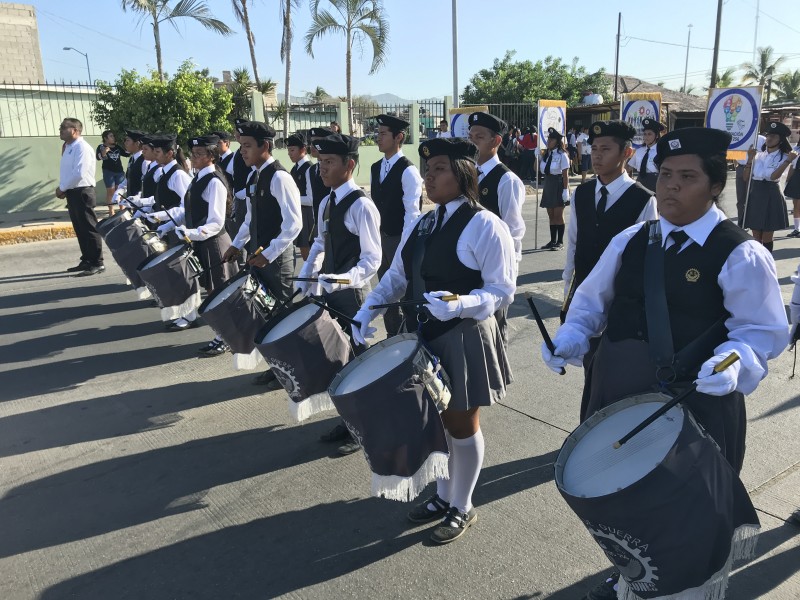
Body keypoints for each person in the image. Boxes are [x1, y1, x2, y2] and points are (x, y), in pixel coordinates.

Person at [542, 127, 788, 599]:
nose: (670, 186)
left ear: (716, 185)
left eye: (687, 176)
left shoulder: (739, 251)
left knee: (684, 511)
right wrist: (570, 338)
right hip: (617, 391)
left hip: (692, 400)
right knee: (626, 500)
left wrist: (733, 363)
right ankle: (633, 581)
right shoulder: (632, 239)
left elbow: (759, 333)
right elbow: (592, 304)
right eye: (666, 174)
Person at [352, 137, 516, 545]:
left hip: (463, 336)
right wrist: (369, 306)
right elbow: (397, 275)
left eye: (439, 168)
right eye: (427, 169)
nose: (429, 176)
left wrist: (463, 303)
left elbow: (502, 289)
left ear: (464, 172)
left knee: (461, 424)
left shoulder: (485, 224)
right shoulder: (425, 221)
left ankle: (463, 506)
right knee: (439, 426)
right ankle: (444, 497)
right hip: (426, 335)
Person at [296, 133, 381, 455]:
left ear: (349, 165)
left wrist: (342, 280)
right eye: (320, 162)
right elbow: (319, 242)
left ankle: (366, 425)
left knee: (359, 362)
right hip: (331, 294)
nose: (322, 169)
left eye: (329, 162)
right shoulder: (327, 201)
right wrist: (307, 276)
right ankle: (349, 419)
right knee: (339, 361)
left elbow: (372, 260)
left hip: (353, 297)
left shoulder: (361, 205)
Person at [223, 121, 303, 386]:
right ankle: (279, 366)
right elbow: (251, 218)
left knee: (282, 315)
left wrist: (269, 253)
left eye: (247, 146)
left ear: (265, 146)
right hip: (261, 256)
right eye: (241, 146)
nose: (242, 151)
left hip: (276, 260)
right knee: (266, 314)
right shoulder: (256, 175)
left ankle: (295, 369)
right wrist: (236, 244)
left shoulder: (279, 177)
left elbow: (294, 224)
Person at [562, 120, 657, 332]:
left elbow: (648, 256)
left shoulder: (643, 199)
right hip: (584, 293)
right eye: (594, 148)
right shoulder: (582, 193)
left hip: (620, 297)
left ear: (627, 153)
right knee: (583, 356)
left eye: (606, 149)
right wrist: (568, 286)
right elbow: (574, 242)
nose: (597, 155)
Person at [152, 134, 238, 353]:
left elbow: (216, 223)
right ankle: (223, 333)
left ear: (211, 156)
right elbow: (189, 210)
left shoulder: (214, 181)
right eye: (193, 153)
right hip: (202, 242)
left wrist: (190, 233)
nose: (194, 157)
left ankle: (226, 337)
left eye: (199, 154)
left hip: (215, 244)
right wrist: (170, 225)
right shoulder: (198, 178)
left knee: (219, 292)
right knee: (212, 291)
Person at [468, 111, 526, 346]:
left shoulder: (506, 180)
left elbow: (513, 231)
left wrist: (507, 273)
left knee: (494, 329)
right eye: (470, 136)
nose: (472, 141)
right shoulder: (467, 172)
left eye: (479, 137)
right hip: (469, 261)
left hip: (494, 268)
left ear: (496, 141)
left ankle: (499, 378)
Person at [370, 113, 423, 336]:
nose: (378, 138)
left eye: (383, 134)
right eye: (378, 133)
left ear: (398, 137)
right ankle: (393, 336)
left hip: (399, 239)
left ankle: (407, 338)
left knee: (403, 292)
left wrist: (404, 245)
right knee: (385, 291)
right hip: (381, 238)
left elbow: (413, 213)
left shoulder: (408, 170)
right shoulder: (375, 167)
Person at [58, 117, 104, 276]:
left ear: (75, 131)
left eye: (64, 127)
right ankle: (87, 259)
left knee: (89, 227)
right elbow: (68, 171)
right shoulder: (69, 147)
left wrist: (62, 187)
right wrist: (65, 188)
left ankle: (97, 262)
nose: (60, 130)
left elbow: (79, 173)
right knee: (80, 228)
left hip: (83, 191)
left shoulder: (82, 148)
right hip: (73, 191)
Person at [742, 121, 796, 253]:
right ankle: (757, 260)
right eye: (768, 136)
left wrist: (788, 160)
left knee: (766, 235)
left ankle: (767, 261)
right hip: (756, 193)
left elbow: (773, 177)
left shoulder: (785, 157)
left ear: (781, 140)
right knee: (755, 234)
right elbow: (746, 178)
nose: (769, 139)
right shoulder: (758, 155)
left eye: (774, 136)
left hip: (771, 194)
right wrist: (749, 159)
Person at [538, 127, 571, 250]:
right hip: (548, 184)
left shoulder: (562, 155)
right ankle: (552, 241)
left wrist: (565, 190)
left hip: (559, 184)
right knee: (551, 215)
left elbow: (565, 174)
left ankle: (560, 242)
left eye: (551, 139)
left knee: (558, 214)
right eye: (548, 139)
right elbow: (537, 169)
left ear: (557, 141)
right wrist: (536, 157)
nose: (548, 141)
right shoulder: (546, 155)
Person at [287, 132, 314, 261]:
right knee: (304, 252)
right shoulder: (294, 168)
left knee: (309, 254)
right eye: (288, 150)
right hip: (298, 212)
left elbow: (310, 199)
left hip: (308, 215)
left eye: (292, 150)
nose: (289, 153)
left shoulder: (309, 168)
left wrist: (290, 198)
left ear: (303, 149)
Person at [305, 126, 335, 243]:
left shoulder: (335, 167)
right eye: (311, 142)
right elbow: (312, 200)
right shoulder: (311, 170)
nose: (312, 146)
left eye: (316, 142)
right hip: (319, 223)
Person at [626, 118, 665, 193]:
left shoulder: (661, 151)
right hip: (640, 183)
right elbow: (628, 167)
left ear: (656, 136)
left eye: (649, 134)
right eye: (645, 134)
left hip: (656, 183)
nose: (646, 137)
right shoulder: (639, 151)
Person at [735, 133, 765, 229]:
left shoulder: (761, 139)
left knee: (752, 198)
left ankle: (752, 222)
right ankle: (741, 222)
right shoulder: (739, 136)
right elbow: (734, 151)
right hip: (740, 168)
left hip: (754, 169)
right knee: (740, 199)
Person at [96, 130, 128, 216]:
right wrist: (103, 153)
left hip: (119, 172)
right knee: (110, 191)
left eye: (113, 136)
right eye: (111, 136)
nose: (113, 138)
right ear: (105, 138)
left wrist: (128, 145)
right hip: (108, 172)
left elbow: (126, 154)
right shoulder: (101, 146)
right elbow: (98, 157)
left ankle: (122, 210)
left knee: (120, 190)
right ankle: (111, 211)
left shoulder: (117, 147)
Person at [121, 129, 149, 200]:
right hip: (132, 202)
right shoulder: (132, 159)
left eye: (128, 140)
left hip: (141, 202)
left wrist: (139, 196)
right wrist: (120, 190)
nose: (125, 143)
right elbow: (128, 178)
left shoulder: (145, 160)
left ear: (137, 143)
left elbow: (146, 184)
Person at [785, 142, 800, 237]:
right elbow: (792, 166)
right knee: (796, 204)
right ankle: (797, 229)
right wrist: (787, 180)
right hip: (797, 176)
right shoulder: (796, 148)